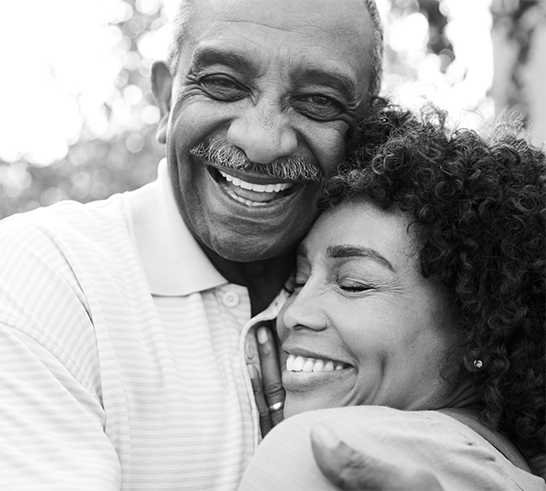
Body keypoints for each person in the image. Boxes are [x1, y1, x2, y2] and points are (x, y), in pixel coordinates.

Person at [0, 0, 401, 489]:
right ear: (166, 96)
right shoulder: (45, 275)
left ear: (369, 131)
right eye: (222, 84)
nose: (260, 141)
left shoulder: (404, 303)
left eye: (318, 101)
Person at [238, 102, 546, 490]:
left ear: (478, 327)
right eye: (299, 281)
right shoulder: (512, 470)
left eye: (353, 284)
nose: (293, 314)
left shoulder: (316, 452)